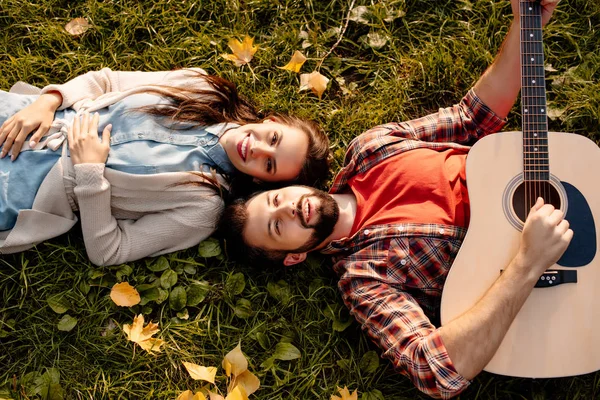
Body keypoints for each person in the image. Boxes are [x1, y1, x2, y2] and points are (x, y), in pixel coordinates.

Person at [218, 1, 568, 398]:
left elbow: (474, 117)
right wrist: (528, 263)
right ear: (294, 255)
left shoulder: (371, 149)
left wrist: (526, 25)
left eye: (276, 198)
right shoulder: (363, 280)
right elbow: (435, 372)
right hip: (563, 269)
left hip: (568, 185)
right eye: (278, 226)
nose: (287, 208)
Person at [0, 68, 329, 266]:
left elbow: (111, 251)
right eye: (272, 137)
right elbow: (106, 81)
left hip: (24, 190)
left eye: (268, 164)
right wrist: (49, 101)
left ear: (260, 180)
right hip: (23, 119)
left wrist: (90, 174)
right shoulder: (202, 87)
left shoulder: (201, 206)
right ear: (271, 121)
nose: (256, 148)